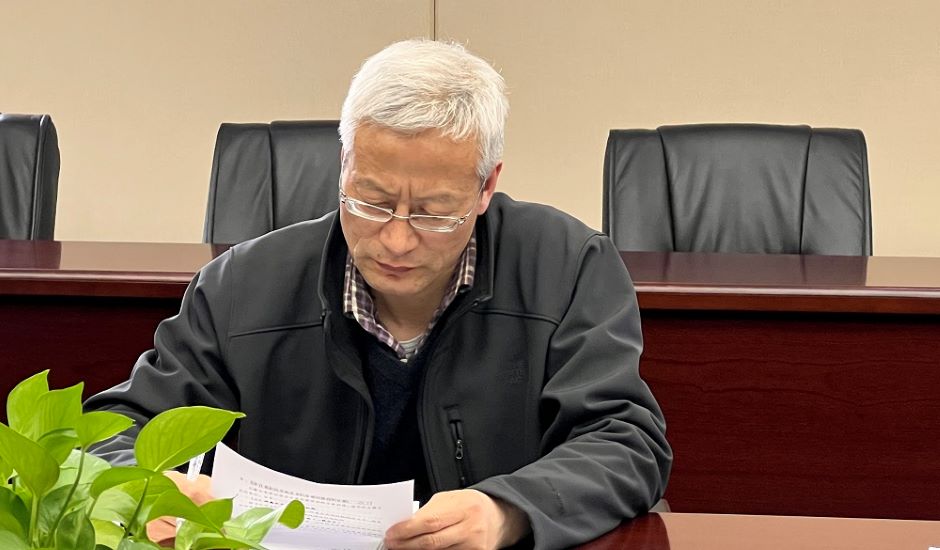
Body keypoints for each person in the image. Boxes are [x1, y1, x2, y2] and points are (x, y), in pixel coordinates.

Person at [85, 39, 672, 549]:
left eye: (433, 211)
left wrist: (509, 511)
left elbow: (626, 442)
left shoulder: (568, 267)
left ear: (486, 185)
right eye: (371, 201)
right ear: (344, 164)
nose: (396, 239)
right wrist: (149, 485)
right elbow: (113, 430)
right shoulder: (242, 285)